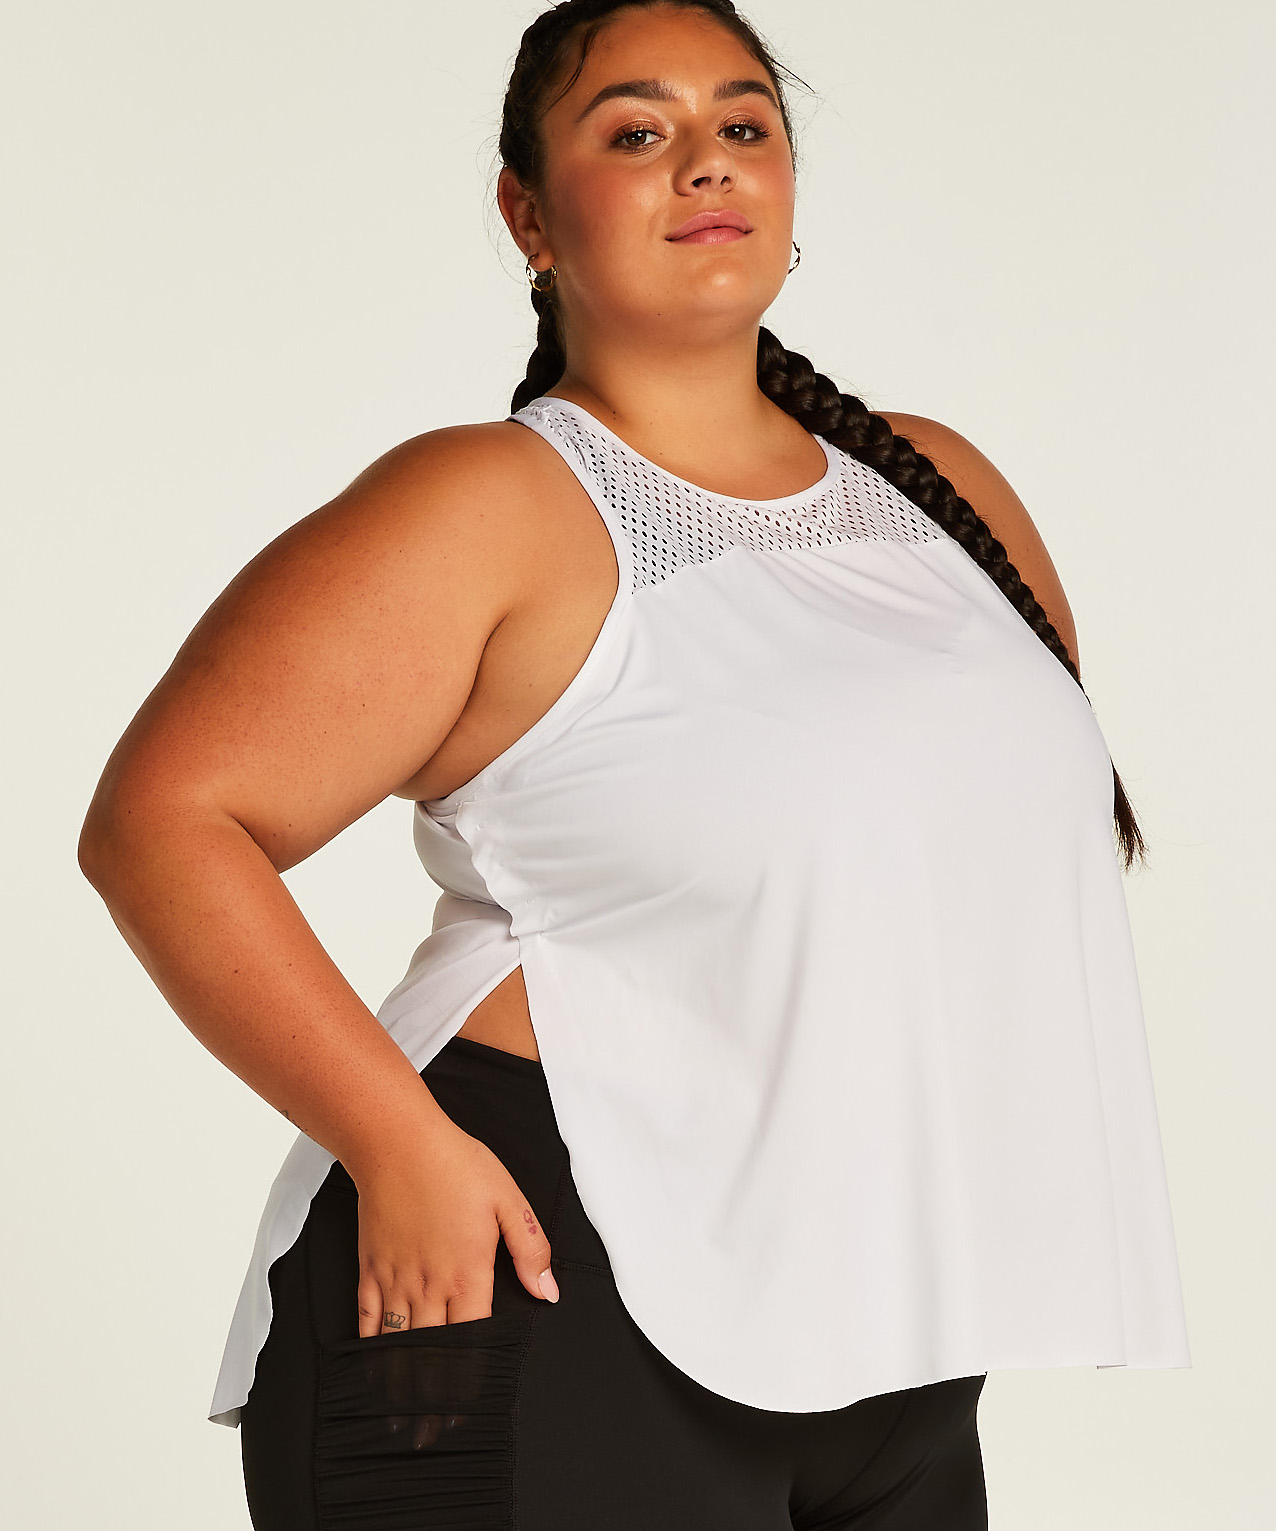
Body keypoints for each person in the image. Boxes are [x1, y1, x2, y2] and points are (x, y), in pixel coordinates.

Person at [78, 1, 1191, 1526]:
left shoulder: (936, 488)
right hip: (539, 1269)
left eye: (743, 126)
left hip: (886, 1326)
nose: (705, 163)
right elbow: (163, 821)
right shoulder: (489, 503)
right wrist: (397, 1145)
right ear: (529, 216)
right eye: (635, 131)